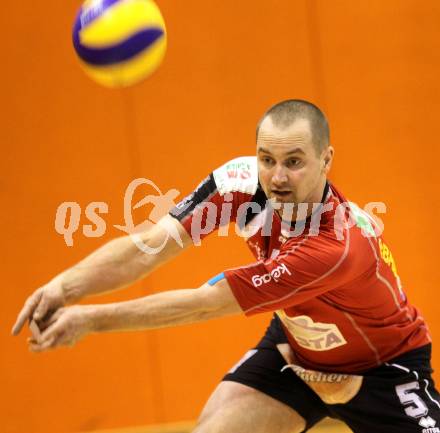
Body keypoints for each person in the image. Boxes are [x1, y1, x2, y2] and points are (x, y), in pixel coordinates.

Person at [12, 100, 440, 433]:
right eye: (266, 159)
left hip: (384, 367)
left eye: (294, 161)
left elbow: (204, 304)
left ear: (326, 159)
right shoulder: (241, 184)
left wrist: (89, 320)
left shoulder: (336, 246)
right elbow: (148, 248)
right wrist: (64, 286)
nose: (276, 177)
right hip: (296, 348)